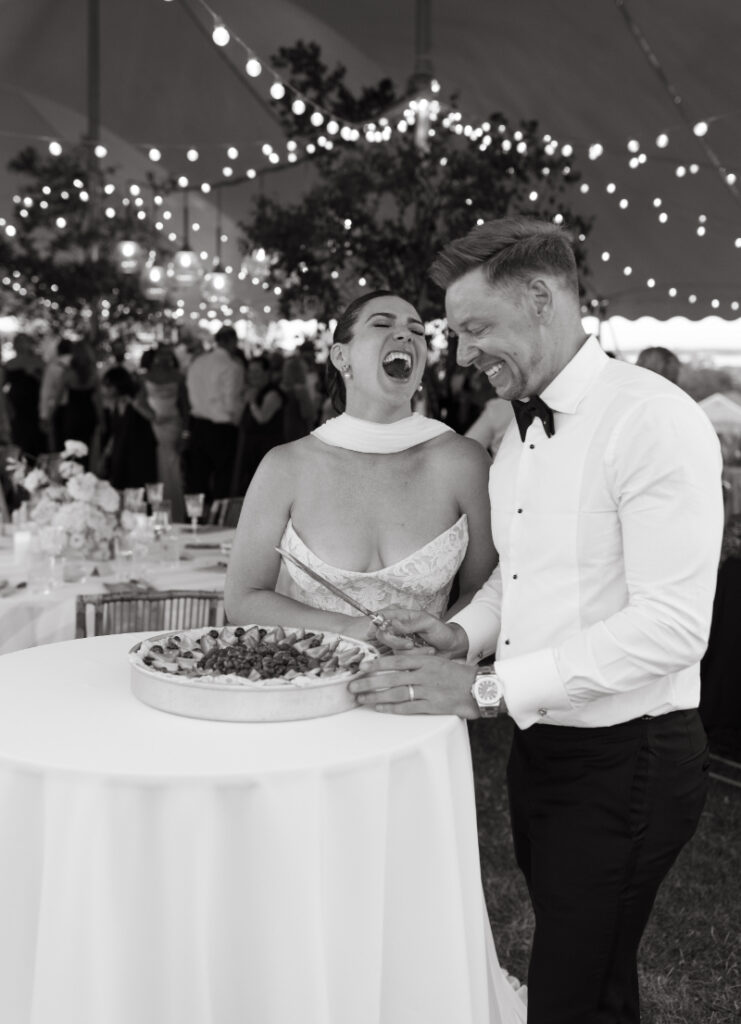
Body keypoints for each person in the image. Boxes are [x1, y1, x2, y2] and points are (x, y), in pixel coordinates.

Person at [351, 219, 724, 1023]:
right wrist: (460, 634)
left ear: (541, 297)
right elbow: (519, 582)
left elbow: (669, 627)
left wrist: (485, 690)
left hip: (630, 760)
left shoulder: (649, 420)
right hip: (545, 747)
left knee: (565, 993)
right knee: (591, 978)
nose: (456, 355)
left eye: (475, 329)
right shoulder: (521, 435)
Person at [224, 291, 524, 1020]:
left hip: (414, 714)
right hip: (305, 709)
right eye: (384, 326)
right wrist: (357, 633)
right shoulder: (287, 464)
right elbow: (243, 597)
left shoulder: (459, 460)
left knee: (403, 886)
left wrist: (442, 639)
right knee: (300, 885)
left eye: (419, 331)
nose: (408, 337)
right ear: (339, 355)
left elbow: (488, 589)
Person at [185, 325, 245, 503]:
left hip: (198, 425)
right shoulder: (231, 366)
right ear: (232, 342)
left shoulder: (198, 362)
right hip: (222, 429)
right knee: (222, 481)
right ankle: (219, 522)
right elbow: (230, 403)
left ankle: (194, 520)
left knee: (197, 480)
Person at [142, 345, 188, 522]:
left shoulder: (178, 377)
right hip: (154, 427)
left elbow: (185, 406)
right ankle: (157, 513)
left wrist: (185, 432)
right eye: (160, 357)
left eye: (167, 357)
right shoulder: (144, 377)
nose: (163, 360)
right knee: (157, 466)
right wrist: (152, 416)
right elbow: (137, 401)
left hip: (173, 425)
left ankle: (175, 513)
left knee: (173, 467)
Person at [230, 355, 285, 495]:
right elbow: (237, 420)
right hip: (248, 446)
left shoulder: (273, 393)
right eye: (250, 372)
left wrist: (252, 402)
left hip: (265, 448)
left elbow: (262, 418)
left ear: (267, 373)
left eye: (256, 372)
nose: (252, 376)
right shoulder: (252, 392)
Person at [99, 366, 157, 490]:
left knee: (139, 489)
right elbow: (115, 433)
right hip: (120, 452)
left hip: (139, 455)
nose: (105, 390)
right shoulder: (114, 404)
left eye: (109, 386)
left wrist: (134, 403)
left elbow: (152, 416)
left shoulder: (136, 399)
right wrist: (105, 454)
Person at [4, 332, 44, 457]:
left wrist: (34, 374)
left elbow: (48, 384)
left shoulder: (38, 361)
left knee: (36, 441)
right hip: (17, 409)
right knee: (19, 442)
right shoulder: (10, 364)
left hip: (35, 407)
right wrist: (7, 407)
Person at [39, 338, 74, 453]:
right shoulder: (82, 366)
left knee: (60, 446)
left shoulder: (53, 366)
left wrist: (44, 415)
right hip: (79, 410)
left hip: (60, 410)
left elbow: (46, 392)